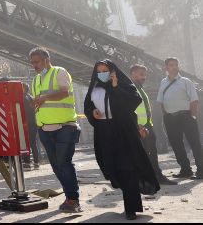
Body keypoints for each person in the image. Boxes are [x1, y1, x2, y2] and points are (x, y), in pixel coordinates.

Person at [85, 59, 159, 220]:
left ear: (113, 71)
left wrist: (115, 86)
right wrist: (93, 113)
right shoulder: (94, 87)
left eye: (105, 70)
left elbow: (133, 101)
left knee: (128, 167)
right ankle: (126, 191)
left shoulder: (124, 85)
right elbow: (87, 106)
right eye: (99, 71)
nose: (102, 74)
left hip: (123, 131)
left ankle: (131, 207)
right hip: (104, 131)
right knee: (112, 166)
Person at [29, 47, 81, 213]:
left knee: (64, 163)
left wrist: (44, 98)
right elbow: (40, 102)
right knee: (56, 165)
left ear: (46, 59)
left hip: (65, 126)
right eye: (32, 63)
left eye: (36, 62)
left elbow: (64, 92)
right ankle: (69, 197)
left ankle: (73, 200)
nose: (34, 65)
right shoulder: (36, 80)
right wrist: (36, 103)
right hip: (45, 128)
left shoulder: (60, 72)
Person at [129, 64, 177, 186]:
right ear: (133, 74)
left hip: (146, 126)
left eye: (145, 74)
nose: (144, 77)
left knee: (150, 153)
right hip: (139, 127)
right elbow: (128, 110)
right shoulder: (129, 89)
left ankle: (153, 176)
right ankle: (152, 177)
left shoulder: (139, 88)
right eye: (141, 74)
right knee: (146, 154)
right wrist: (138, 126)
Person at [157, 57, 203, 180]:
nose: (174, 67)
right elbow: (160, 101)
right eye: (171, 65)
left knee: (194, 143)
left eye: (176, 64)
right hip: (170, 118)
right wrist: (166, 114)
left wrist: (192, 116)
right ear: (166, 67)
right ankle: (185, 169)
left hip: (186, 116)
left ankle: (201, 170)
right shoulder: (163, 82)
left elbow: (194, 100)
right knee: (176, 144)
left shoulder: (186, 81)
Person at [22, 82, 41, 170]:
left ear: (24, 89)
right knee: (33, 143)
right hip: (33, 123)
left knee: (26, 143)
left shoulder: (22, 98)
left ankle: (27, 163)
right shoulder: (31, 97)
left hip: (26, 124)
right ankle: (36, 162)